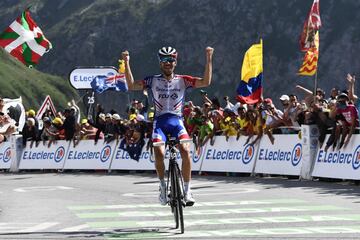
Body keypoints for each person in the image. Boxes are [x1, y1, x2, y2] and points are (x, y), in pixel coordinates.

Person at [122, 46, 214, 206]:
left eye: (171, 59)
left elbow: (206, 82)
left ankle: (187, 190)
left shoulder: (183, 80)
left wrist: (208, 58)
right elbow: (131, 85)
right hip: (160, 123)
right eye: (164, 60)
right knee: (158, 151)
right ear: (160, 62)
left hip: (177, 122)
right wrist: (126, 62)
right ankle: (163, 187)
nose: (168, 63)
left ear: (175, 62)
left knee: (185, 150)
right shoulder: (152, 80)